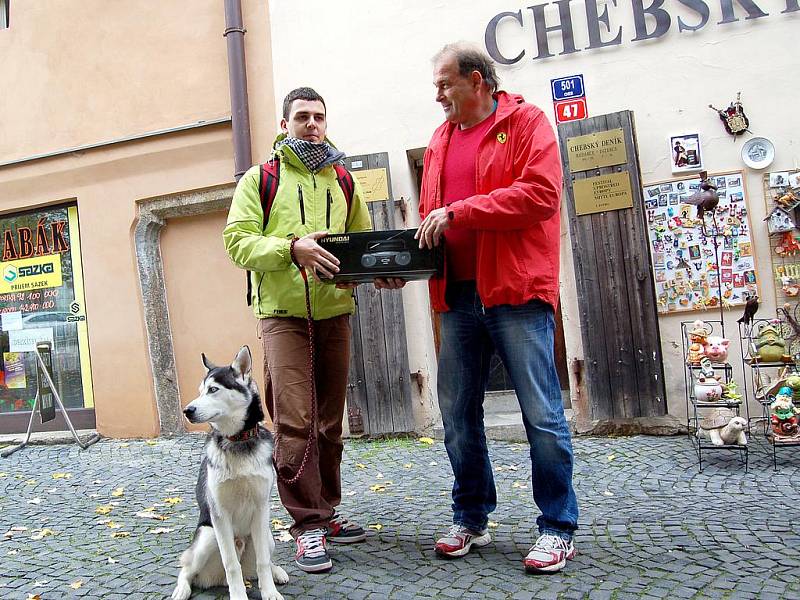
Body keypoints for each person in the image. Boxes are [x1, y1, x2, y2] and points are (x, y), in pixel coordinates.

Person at [406, 42, 579, 574]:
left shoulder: (527, 123)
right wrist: (404, 266)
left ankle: (556, 526)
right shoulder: (438, 140)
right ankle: (472, 516)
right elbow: (433, 222)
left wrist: (462, 210)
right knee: (457, 417)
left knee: (543, 417)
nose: (438, 95)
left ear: (477, 80)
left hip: (515, 292)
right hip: (455, 297)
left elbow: (541, 194)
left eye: (444, 84)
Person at [223, 87, 372, 574]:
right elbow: (238, 242)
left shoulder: (344, 179)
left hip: (334, 311)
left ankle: (326, 512)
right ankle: (306, 524)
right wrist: (292, 249)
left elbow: (360, 245)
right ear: (285, 122)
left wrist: (377, 272)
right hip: (283, 315)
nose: (312, 124)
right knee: (295, 421)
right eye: (303, 117)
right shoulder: (260, 179)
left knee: (330, 422)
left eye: (319, 117)